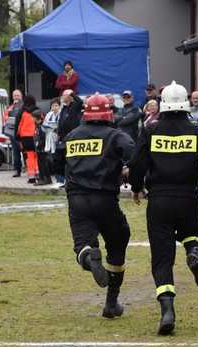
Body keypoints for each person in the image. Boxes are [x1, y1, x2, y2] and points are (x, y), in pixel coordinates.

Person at [128, 81, 198, 336]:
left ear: (162, 105)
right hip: (187, 198)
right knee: (192, 233)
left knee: (162, 258)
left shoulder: (150, 131)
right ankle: (194, 252)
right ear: (186, 105)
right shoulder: (196, 132)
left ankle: (167, 311)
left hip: (159, 201)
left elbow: (137, 162)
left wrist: (137, 187)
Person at [64, 93, 135, 318]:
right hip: (105, 199)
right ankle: (111, 302)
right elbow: (134, 154)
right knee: (118, 240)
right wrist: (127, 171)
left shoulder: (72, 136)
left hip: (77, 200)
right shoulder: (115, 136)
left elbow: (56, 160)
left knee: (82, 244)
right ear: (109, 113)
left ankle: (88, 256)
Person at [56, 89, 84, 188]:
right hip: (64, 138)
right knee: (65, 160)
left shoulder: (75, 106)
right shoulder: (63, 108)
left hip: (73, 137)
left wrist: (72, 94)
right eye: (63, 95)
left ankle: (75, 181)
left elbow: (80, 101)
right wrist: (58, 133)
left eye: (65, 95)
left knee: (74, 160)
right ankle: (66, 181)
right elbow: (61, 122)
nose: (63, 97)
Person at [15, 95, 41, 183]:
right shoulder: (38, 110)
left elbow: (18, 125)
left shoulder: (22, 112)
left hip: (25, 138)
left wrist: (17, 137)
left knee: (29, 157)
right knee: (37, 156)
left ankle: (31, 177)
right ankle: (38, 173)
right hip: (36, 136)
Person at [3, 89, 24, 177]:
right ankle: (17, 170)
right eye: (14, 95)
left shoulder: (24, 105)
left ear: (21, 96)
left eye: (17, 95)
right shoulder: (10, 107)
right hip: (13, 133)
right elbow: (5, 116)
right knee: (16, 152)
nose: (16, 97)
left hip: (23, 132)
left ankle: (30, 170)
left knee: (26, 152)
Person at [40, 98, 61, 185]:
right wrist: (46, 128)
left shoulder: (61, 114)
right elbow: (44, 125)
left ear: (59, 106)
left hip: (58, 137)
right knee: (49, 157)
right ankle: (51, 175)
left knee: (58, 158)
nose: (54, 107)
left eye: (56, 105)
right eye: (53, 105)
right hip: (49, 136)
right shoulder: (49, 114)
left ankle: (59, 177)